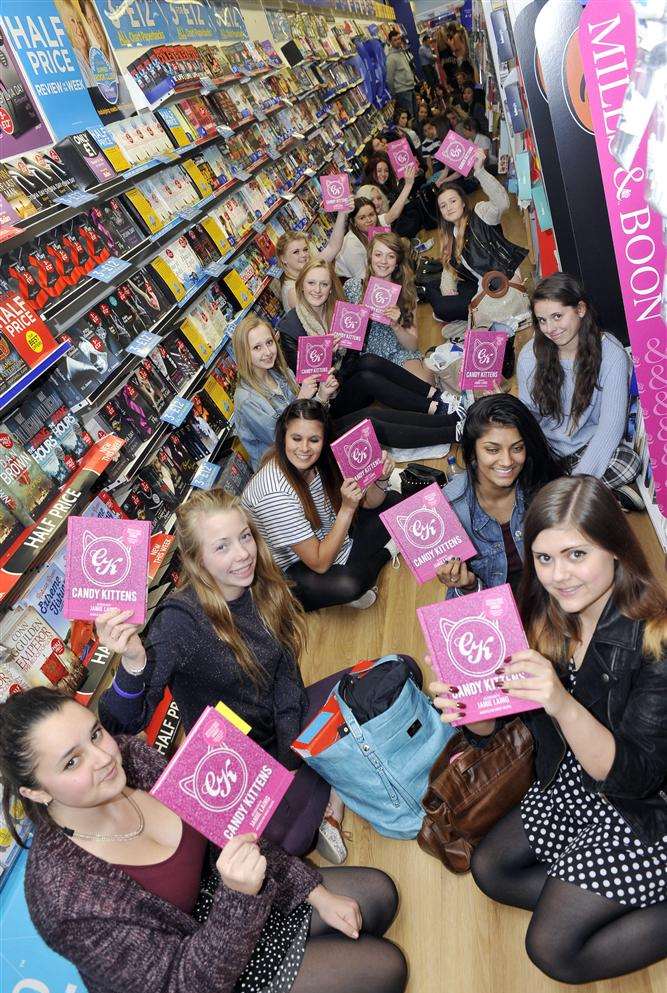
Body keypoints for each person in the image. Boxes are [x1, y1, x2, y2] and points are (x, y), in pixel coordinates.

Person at [0, 688, 408, 993]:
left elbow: (231, 828)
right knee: (384, 968)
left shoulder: (134, 761)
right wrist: (239, 897)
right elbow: (184, 983)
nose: (103, 758)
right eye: (72, 761)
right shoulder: (63, 898)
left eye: (96, 734)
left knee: (378, 895)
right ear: (36, 792)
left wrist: (313, 894)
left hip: (232, 900)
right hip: (204, 968)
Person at [431, 475, 667, 984]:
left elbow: (635, 778)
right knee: (490, 869)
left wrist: (560, 703)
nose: (559, 576)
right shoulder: (548, 614)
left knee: (552, 949)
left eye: (576, 555)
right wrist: (480, 713)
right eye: (543, 558)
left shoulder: (657, 639)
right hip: (576, 778)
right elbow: (529, 727)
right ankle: (604, 893)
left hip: (647, 807)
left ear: (617, 551)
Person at [96, 488, 353, 861]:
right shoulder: (178, 622)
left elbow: (286, 679)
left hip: (285, 723)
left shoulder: (261, 583)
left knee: (392, 672)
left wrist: (294, 753)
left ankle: (323, 791)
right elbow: (121, 723)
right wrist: (133, 663)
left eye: (244, 536)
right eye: (222, 547)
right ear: (197, 559)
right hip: (236, 763)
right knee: (295, 840)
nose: (243, 554)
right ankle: (329, 790)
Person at [242, 399, 401, 612]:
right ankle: (388, 552)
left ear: (324, 440)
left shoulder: (326, 458)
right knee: (350, 585)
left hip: (330, 537)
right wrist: (347, 508)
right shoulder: (274, 493)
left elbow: (372, 502)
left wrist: (379, 478)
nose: (304, 448)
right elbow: (319, 563)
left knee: (395, 503)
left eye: (314, 440)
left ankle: (362, 566)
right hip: (293, 569)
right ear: (283, 438)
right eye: (296, 438)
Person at [518, 273, 642, 511]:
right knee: (511, 475)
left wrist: (576, 480)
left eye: (557, 316)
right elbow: (530, 417)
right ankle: (596, 497)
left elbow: (610, 429)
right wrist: (511, 415)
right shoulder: (529, 355)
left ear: (580, 309)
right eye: (542, 320)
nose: (550, 329)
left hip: (587, 445)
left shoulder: (612, 354)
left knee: (629, 463)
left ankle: (568, 496)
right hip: (547, 448)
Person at [437, 394, 564, 598]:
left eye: (517, 448)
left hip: (550, 592)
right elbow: (465, 600)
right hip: (492, 602)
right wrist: (467, 585)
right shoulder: (450, 506)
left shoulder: (543, 486)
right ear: (472, 453)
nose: (507, 461)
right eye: (492, 450)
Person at [419, 147, 528, 323]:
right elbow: (448, 266)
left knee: (441, 307)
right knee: (432, 286)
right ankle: (457, 314)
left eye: (453, 201)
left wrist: (480, 171)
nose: (449, 208)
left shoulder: (480, 213)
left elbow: (502, 203)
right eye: (443, 206)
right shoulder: (449, 235)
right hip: (479, 282)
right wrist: (448, 288)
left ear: (463, 202)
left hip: (500, 281)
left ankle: (458, 317)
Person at [343, 232, 434, 383]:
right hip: (367, 358)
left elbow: (411, 345)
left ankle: (429, 365)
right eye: (378, 254)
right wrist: (356, 318)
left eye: (390, 256)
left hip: (397, 351)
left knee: (424, 383)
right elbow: (343, 335)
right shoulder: (353, 287)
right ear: (370, 257)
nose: (383, 261)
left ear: (397, 261)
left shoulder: (406, 294)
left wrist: (396, 325)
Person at [276, 206, 352, 311]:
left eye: (305, 249)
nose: (303, 255)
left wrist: (342, 212)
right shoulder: (293, 291)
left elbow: (333, 247)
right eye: (296, 252)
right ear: (283, 259)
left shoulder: (309, 269)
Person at [385, 29, 417, 119]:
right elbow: (389, 79)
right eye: (395, 40)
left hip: (410, 88)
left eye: (399, 39)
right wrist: (394, 94)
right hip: (402, 92)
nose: (398, 41)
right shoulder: (391, 58)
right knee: (410, 117)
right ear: (390, 42)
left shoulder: (401, 52)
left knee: (415, 115)